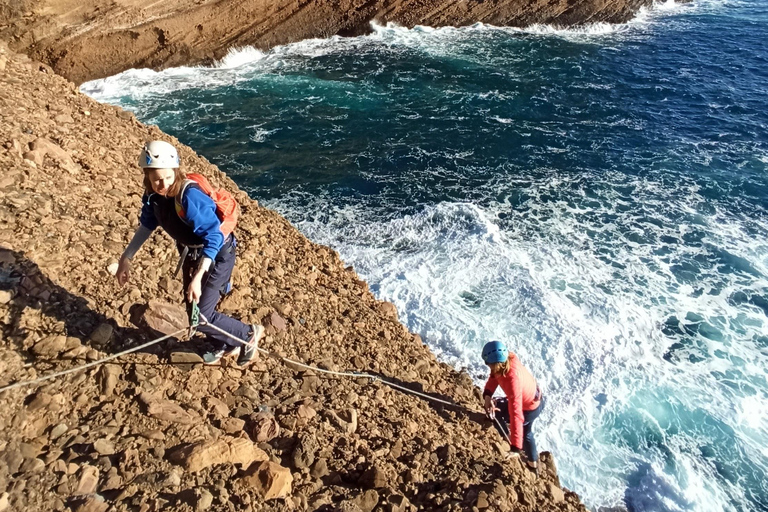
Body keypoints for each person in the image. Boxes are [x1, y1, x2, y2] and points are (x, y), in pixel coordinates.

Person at [115, 140, 264, 366]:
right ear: (147, 177)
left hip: (218, 254)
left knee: (202, 316)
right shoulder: (153, 197)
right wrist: (126, 257)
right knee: (193, 309)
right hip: (192, 254)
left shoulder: (189, 197)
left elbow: (214, 236)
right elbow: (147, 225)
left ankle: (247, 334)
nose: (162, 183)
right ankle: (223, 344)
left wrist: (198, 275)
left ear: (175, 171)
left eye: (167, 177)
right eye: (156, 179)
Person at [481, 340, 544, 476]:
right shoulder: (508, 358)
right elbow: (494, 376)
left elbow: (516, 414)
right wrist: (487, 395)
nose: (488, 367)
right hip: (535, 400)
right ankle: (533, 464)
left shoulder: (512, 381)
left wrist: (515, 448)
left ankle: (509, 440)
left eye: (488, 364)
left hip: (528, 408)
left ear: (496, 363)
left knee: (496, 411)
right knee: (527, 432)